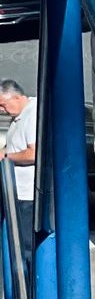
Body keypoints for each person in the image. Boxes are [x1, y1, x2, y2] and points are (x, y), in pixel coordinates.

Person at [0, 78, 36, 234]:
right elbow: (15, 146)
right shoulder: (18, 117)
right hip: (15, 190)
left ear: (16, 97)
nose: (1, 110)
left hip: (27, 194)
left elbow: (34, 153)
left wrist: (6, 156)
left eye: (3, 105)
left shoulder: (32, 115)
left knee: (24, 237)